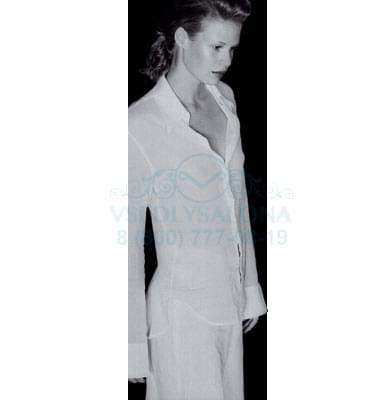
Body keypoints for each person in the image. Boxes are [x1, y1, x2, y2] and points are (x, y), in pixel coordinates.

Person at [128, 0, 267, 398]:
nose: (227, 60)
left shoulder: (225, 99)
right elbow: (127, 249)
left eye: (233, 48)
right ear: (182, 38)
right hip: (180, 317)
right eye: (217, 47)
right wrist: (132, 346)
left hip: (229, 305)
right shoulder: (139, 125)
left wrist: (251, 290)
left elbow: (236, 200)